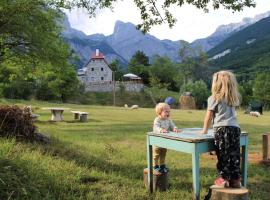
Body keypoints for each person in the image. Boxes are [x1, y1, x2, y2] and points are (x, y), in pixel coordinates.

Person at [201, 70, 242, 188]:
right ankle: (235, 180)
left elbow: (208, 116)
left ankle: (224, 179)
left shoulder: (214, 98)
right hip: (235, 129)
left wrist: (204, 130)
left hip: (222, 129)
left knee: (223, 154)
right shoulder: (233, 97)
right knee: (234, 155)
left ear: (216, 83)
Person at [153, 102, 181, 173]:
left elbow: (172, 125)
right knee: (156, 154)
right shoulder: (157, 120)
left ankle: (162, 165)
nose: (168, 113)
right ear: (159, 112)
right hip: (157, 141)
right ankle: (155, 165)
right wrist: (161, 130)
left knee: (163, 154)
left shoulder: (168, 120)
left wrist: (175, 128)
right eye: (166, 112)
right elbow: (156, 127)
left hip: (165, 141)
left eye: (169, 111)